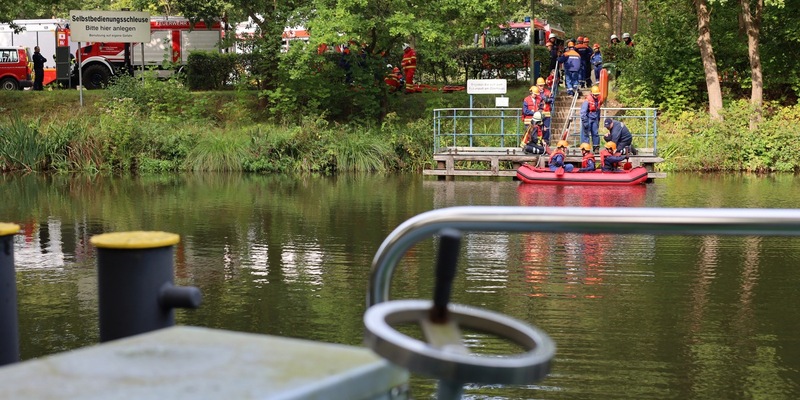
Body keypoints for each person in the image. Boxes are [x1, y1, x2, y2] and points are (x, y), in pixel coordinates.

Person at [580, 85, 603, 153]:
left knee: (595, 133)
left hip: (595, 118)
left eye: (597, 95)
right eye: (595, 95)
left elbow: (598, 110)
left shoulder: (598, 100)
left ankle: (596, 148)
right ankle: (585, 149)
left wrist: (598, 120)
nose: (596, 96)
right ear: (592, 94)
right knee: (585, 134)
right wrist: (585, 122)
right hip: (588, 118)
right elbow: (583, 112)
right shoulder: (587, 101)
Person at [535, 77, 554, 144]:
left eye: (542, 85)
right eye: (540, 86)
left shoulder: (548, 92)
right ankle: (538, 141)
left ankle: (546, 141)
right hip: (538, 113)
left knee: (546, 128)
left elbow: (552, 99)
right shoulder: (535, 92)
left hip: (546, 113)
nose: (541, 87)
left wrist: (548, 100)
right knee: (537, 128)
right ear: (537, 85)